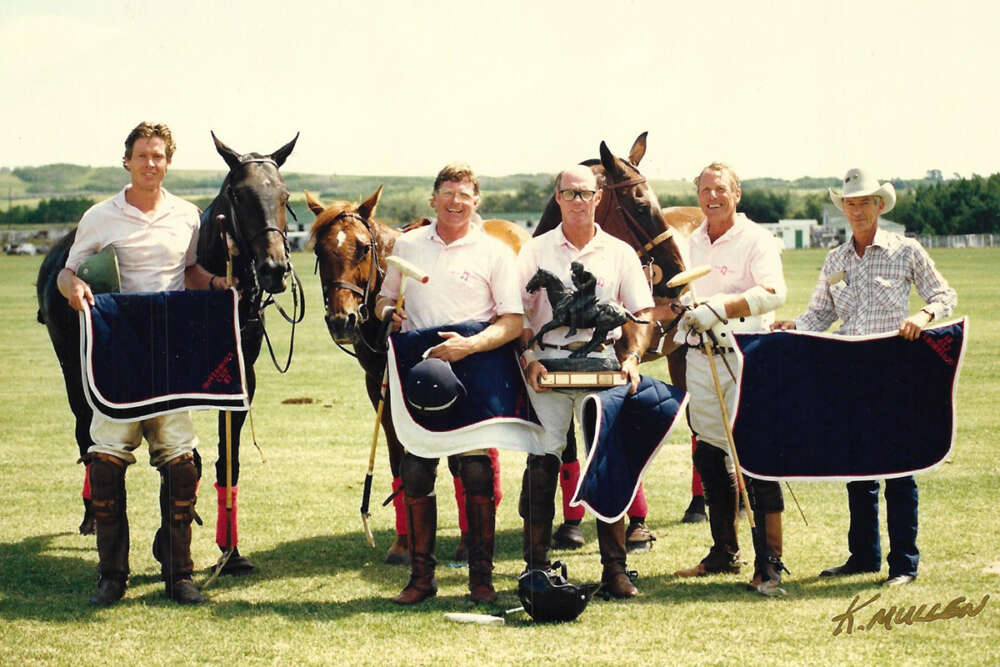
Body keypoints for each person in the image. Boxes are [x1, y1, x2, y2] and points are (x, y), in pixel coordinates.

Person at [58, 122, 225, 605]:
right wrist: (74, 289)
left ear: (168, 162)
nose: (151, 163)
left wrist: (216, 287)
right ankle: (112, 576)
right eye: (142, 155)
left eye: (159, 156)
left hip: (171, 354)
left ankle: (179, 574)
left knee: (180, 465)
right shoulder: (100, 216)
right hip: (117, 351)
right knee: (107, 462)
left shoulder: (187, 216)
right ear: (127, 160)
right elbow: (69, 272)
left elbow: (190, 271)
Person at [773, 168, 957, 586]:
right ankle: (863, 556)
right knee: (857, 466)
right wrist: (794, 327)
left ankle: (904, 563)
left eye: (864, 202)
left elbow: (944, 295)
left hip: (893, 369)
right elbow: (821, 313)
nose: (856, 210)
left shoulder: (904, 250)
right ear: (844, 209)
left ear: (879, 205)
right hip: (847, 371)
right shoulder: (835, 259)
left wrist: (922, 315)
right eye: (850, 203)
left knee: (898, 468)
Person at [378, 163, 523, 604]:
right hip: (419, 365)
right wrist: (388, 313)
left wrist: (471, 345)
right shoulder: (407, 244)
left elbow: (513, 321)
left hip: (474, 363)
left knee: (477, 472)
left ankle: (482, 580)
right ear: (433, 199)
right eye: (447, 193)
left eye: (464, 195)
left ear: (476, 201)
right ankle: (422, 580)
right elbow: (386, 297)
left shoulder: (495, 251)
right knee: (417, 469)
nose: (455, 202)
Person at [517, 164, 654, 598]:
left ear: (598, 198)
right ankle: (535, 567)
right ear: (556, 197)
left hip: (601, 364)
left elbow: (642, 312)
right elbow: (515, 312)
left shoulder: (619, 252)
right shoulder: (533, 251)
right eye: (569, 193)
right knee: (542, 464)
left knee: (606, 462)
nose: (577, 201)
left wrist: (631, 356)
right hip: (546, 366)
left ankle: (614, 569)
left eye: (585, 194)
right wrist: (527, 357)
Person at [672, 162, 789, 595]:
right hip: (701, 354)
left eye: (720, 189)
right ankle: (724, 552)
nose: (712, 197)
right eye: (704, 190)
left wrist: (719, 308)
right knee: (708, 450)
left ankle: (771, 563)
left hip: (746, 353)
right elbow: (680, 291)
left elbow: (774, 293)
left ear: (735, 194)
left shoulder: (756, 239)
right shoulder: (691, 241)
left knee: (755, 456)